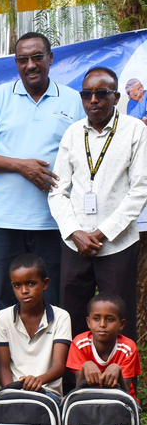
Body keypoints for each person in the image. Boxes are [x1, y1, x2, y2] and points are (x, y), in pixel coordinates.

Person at [0, 32, 85, 316]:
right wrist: (21, 166)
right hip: (5, 222)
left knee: (54, 302)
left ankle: (53, 362)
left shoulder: (72, 100)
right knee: (5, 303)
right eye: (23, 59)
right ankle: (6, 363)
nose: (30, 65)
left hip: (54, 221)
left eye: (37, 57)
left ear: (50, 59)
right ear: (16, 62)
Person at [48, 66, 147, 343]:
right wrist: (75, 232)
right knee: (71, 320)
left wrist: (101, 232)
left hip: (116, 244)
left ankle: (121, 384)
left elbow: (141, 190)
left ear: (116, 97)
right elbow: (57, 190)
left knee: (118, 319)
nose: (93, 100)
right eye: (87, 94)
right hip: (74, 244)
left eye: (101, 94)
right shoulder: (72, 133)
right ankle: (71, 384)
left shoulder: (135, 131)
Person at [0, 254, 72, 402]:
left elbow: (60, 366)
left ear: (45, 283)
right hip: (11, 390)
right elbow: (3, 367)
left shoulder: (61, 317)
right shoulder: (3, 317)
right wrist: (11, 393)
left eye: (30, 283)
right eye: (17, 285)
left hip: (48, 393)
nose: (24, 291)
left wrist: (38, 380)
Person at [66, 293, 141, 399]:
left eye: (109, 319)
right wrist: (85, 366)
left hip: (119, 404)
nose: (102, 324)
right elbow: (79, 390)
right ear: (89, 322)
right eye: (96, 318)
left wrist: (118, 371)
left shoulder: (128, 348)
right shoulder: (79, 344)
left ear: (121, 324)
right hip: (88, 402)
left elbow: (125, 395)